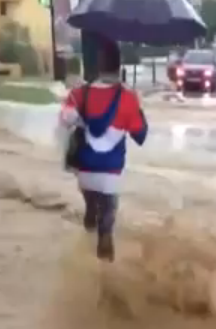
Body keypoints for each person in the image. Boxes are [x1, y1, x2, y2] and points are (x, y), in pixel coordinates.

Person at [58, 37, 148, 262]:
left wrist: (81, 116)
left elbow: (65, 119)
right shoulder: (128, 98)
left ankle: (90, 210)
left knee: (91, 194)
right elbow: (141, 136)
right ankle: (104, 241)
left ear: (98, 66)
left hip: (85, 172)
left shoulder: (79, 94)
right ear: (119, 66)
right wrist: (138, 108)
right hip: (110, 173)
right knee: (108, 210)